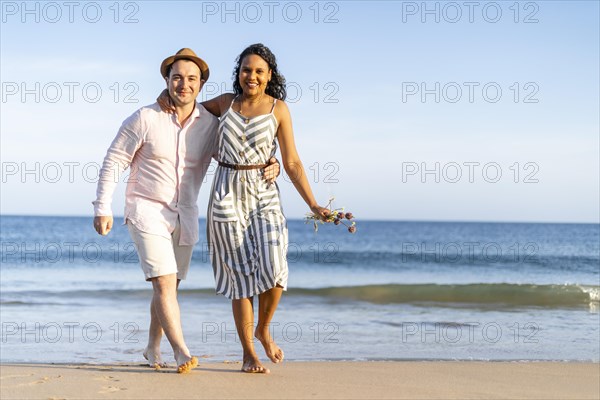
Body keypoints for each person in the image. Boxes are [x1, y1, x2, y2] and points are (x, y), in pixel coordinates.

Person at [92, 48, 280, 373]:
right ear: (166, 80)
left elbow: (237, 154)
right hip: (146, 209)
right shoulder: (144, 117)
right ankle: (182, 351)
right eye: (177, 77)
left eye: (191, 78)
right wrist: (102, 206)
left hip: (185, 214)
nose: (184, 84)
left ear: (201, 84)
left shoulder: (209, 124)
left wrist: (272, 162)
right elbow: (114, 159)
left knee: (169, 285)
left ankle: (152, 348)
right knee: (164, 282)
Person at [159, 43, 330, 373]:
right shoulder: (225, 103)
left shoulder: (278, 109)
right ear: (238, 73)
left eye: (259, 71)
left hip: (264, 193)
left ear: (269, 77)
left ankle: (263, 329)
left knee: (276, 268)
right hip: (226, 194)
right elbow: (186, 107)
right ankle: (248, 353)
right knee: (239, 280)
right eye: (246, 69)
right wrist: (166, 96)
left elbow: (292, 160)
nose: (251, 76)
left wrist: (313, 203)